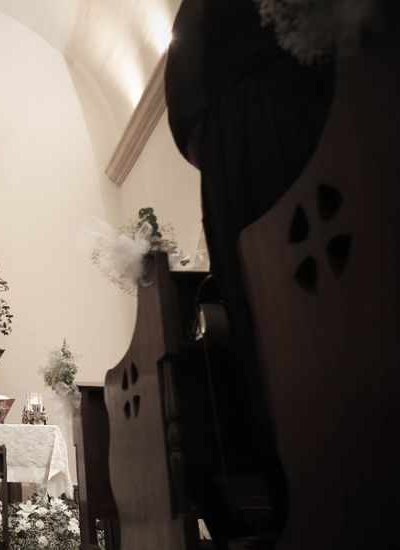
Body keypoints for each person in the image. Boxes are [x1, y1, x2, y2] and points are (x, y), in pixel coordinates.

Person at [165, 0, 334, 547]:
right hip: (232, 128)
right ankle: (297, 497)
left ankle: (317, 490)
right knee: (262, 318)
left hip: (271, 112)